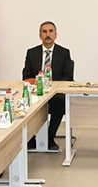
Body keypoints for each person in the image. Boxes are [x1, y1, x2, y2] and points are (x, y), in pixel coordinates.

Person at [21, 21, 74, 151]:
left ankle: (50, 138)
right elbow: (26, 75)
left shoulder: (64, 52)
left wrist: (52, 86)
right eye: (44, 32)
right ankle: (31, 139)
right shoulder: (32, 52)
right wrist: (37, 82)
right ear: (40, 35)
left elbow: (68, 77)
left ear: (56, 35)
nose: (48, 35)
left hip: (56, 93)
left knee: (60, 102)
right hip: (36, 91)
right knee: (25, 102)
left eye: (51, 31)